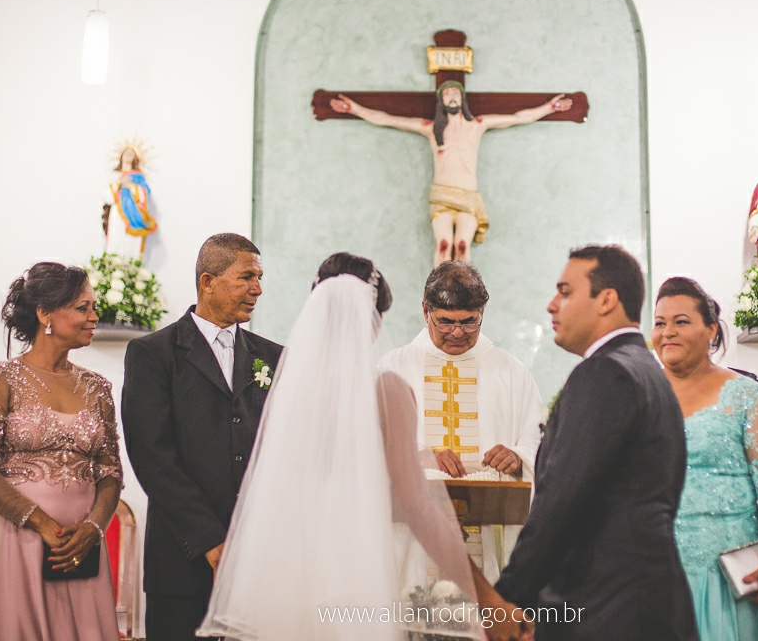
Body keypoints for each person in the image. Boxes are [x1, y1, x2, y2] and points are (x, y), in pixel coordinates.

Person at [197, 253, 528, 641]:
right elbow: (419, 508)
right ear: (374, 321)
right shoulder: (384, 391)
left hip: (285, 581)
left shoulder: (285, 395)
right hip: (353, 580)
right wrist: (487, 599)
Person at [494, 245, 698, 640]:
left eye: (566, 292)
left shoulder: (605, 373)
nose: (552, 305)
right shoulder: (646, 371)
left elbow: (564, 498)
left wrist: (509, 597)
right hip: (643, 598)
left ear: (606, 300)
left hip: (605, 607)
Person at [122, 233, 283, 641]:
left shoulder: (274, 357)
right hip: (182, 560)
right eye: (247, 277)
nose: (258, 289)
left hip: (257, 558)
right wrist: (211, 541)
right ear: (208, 281)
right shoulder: (153, 355)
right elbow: (152, 458)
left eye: (260, 277)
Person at [0, 262, 122, 641]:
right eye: (82, 308)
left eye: (93, 307)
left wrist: (93, 528)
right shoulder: (1, 378)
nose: (93, 317)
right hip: (20, 540)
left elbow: (111, 472)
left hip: (80, 547)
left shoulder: (98, 388)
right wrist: (39, 522)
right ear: (44, 314)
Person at [652, 276, 758, 641]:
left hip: (730, 573)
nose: (667, 332)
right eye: (659, 323)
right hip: (656, 570)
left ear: (711, 330)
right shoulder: (640, 396)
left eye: (681, 322)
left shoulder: (749, 396)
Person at [379, 260, 544, 581]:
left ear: (483, 312)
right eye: (445, 322)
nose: (457, 333)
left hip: (487, 531)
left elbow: (536, 439)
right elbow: (370, 443)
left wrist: (518, 458)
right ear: (425, 310)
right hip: (412, 535)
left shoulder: (511, 371)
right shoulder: (394, 366)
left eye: (470, 322)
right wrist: (420, 458)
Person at [331, 82, 572, 265]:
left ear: (462, 99)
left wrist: (550, 107)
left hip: (467, 195)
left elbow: (518, 117)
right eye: (447, 94)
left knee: (463, 247)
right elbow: (388, 119)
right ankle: (439, 296)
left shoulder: (477, 125)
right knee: (444, 245)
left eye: (456, 93)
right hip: (442, 195)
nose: (452, 96)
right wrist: (354, 108)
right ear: (441, 101)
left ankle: (463, 296)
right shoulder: (432, 129)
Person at [103, 145, 157, 260]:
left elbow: (144, 194)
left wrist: (130, 186)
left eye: (131, 153)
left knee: (131, 244)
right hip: (118, 213)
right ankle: (113, 263)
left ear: (135, 158)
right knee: (116, 238)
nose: (128, 156)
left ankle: (130, 266)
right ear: (121, 156)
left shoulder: (138, 177)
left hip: (134, 215)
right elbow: (107, 197)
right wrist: (119, 184)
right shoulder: (115, 176)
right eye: (126, 153)